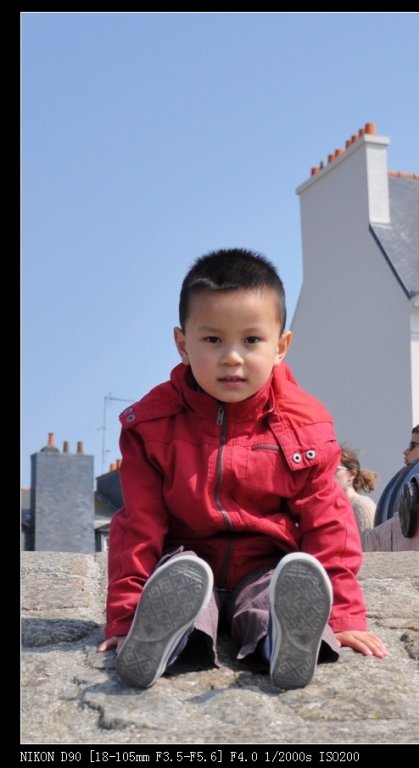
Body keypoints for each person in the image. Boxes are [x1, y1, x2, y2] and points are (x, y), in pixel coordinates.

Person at [98, 248, 387, 690]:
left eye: (251, 340)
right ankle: (159, 639)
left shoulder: (304, 425)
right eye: (213, 340)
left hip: (267, 565)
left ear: (280, 347)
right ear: (182, 344)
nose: (232, 357)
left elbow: (329, 521)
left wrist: (345, 613)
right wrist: (124, 615)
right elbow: (138, 524)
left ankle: (286, 645)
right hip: (187, 566)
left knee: (274, 598)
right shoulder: (152, 425)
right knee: (186, 596)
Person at [335, 446, 377, 550]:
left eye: (334, 469)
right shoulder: (330, 509)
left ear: (352, 474)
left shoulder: (361, 505)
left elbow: (369, 553)